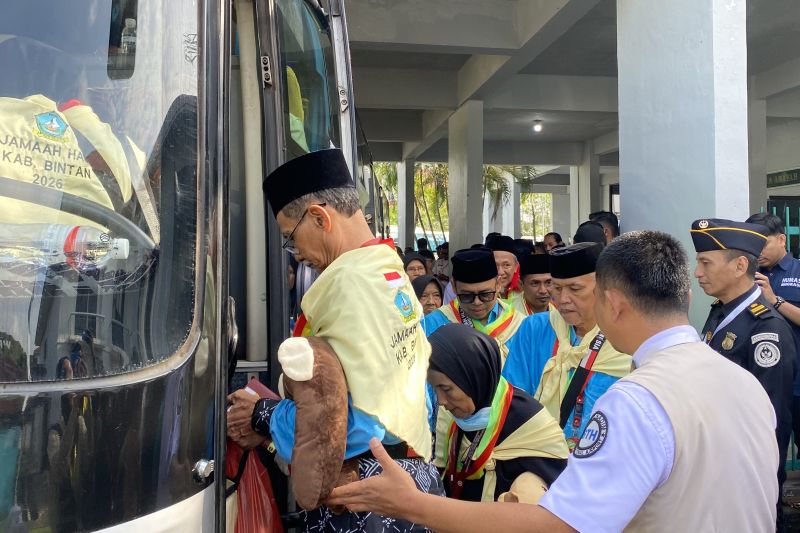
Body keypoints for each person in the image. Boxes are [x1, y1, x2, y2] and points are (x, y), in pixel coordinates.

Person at [328, 231, 780, 533]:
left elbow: (561, 526)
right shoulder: (741, 382)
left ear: (614, 303)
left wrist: (412, 504)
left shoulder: (639, 400)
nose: (563, 302)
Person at [227, 148, 441, 532]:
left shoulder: (349, 286)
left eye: (290, 239)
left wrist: (265, 414)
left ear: (319, 217)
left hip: (362, 500)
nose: (297, 255)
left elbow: (357, 425)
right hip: (409, 477)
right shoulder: (386, 270)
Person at [691, 217, 795, 530]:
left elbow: (770, 419)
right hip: (716, 462)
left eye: (706, 263)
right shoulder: (721, 311)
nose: (698, 273)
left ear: (739, 266)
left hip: (745, 472)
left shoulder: (766, 328)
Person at [502, 243, 630, 447]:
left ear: (604, 288)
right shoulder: (534, 329)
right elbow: (512, 399)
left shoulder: (625, 338)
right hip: (540, 460)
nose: (563, 300)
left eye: (575, 289)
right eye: (557, 288)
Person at [427, 324, 568, 503]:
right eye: (434, 388)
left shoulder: (531, 425)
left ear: (474, 378)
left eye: (446, 389)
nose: (441, 401)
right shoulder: (454, 417)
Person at [746, 212, 800, 451]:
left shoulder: (797, 272)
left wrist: (774, 300)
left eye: (763, 242)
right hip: (761, 382)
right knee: (766, 452)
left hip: (798, 384)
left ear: (781, 239)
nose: (758, 250)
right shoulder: (746, 275)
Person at [423, 248, 524, 360]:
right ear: (454, 287)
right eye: (467, 296)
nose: (477, 302)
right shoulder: (432, 324)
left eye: (485, 294)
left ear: (498, 284)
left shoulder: (519, 324)